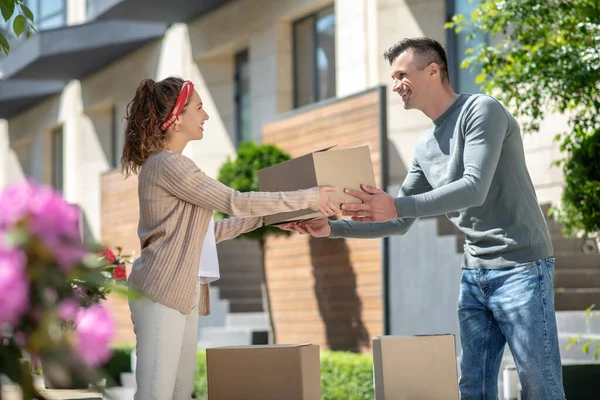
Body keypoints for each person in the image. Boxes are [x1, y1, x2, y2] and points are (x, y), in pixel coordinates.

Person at [282, 37, 565, 400]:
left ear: (433, 70)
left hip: (522, 267)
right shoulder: (424, 146)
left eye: (402, 74)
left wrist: (397, 205)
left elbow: (473, 187)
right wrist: (331, 228)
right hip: (474, 275)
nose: (396, 84)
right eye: (393, 77)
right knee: (473, 387)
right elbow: (398, 221)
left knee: (540, 387)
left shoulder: (481, 111)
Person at [120, 76, 342, 400]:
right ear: (176, 118)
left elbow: (208, 234)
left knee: (180, 394)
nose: (206, 116)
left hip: (182, 293)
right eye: (199, 108)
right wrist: (308, 197)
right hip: (160, 292)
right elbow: (234, 202)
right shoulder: (168, 165)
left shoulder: (175, 165)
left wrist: (268, 217)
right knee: (156, 395)